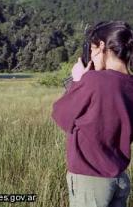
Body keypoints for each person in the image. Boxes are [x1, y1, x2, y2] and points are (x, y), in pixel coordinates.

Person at [51, 21, 133, 207]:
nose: (92, 57)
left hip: (91, 181)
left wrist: (77, 80)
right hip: (119, 178)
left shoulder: (94, 81)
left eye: (93, 49)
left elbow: (61, 115)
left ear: (102, 47)